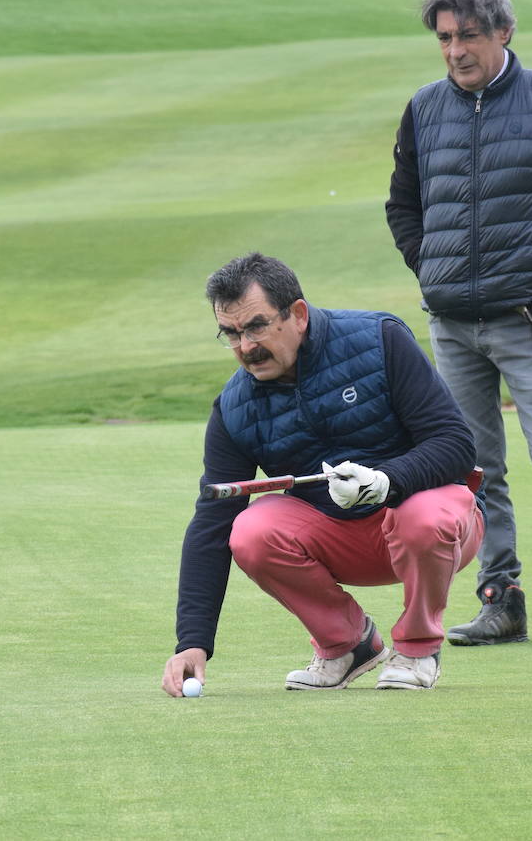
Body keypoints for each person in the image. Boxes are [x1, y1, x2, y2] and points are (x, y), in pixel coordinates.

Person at [385, 0, 532, 651]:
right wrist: (430, 266)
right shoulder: (424, 108)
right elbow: (403, 205)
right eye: (446, 38)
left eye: (470, 36)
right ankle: (501, 600)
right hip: (452, 323)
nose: (456, 50)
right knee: (474, 468)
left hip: (527, 321)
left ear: (504, 32)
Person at [160, 253, 486, 695]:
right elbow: (212, 521)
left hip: (432, 526)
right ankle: (347, 644)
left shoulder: (379, 339)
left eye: (256, 326)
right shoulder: (235, 408)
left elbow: (454, 443)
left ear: (297, 314)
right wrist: (192, 641)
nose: (245, 346)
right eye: (231, 333)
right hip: (341, 540)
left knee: (424, 514)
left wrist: (388, 481)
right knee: (250, 530)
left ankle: (417, 649)